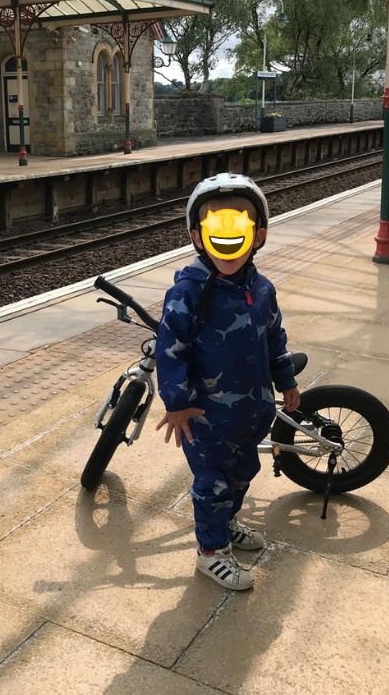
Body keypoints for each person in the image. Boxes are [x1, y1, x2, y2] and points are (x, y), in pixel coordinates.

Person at [155, 173, 299, 591]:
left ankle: (227, 521)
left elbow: (275, 338)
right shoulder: (189, 293)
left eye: (239, 230)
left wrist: (285, 380)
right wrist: (176, 402)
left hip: (252, 409)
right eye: (217, 231)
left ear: (258, 236)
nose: (228, 244)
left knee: (244, 471)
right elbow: (170, 349)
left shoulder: (262, 288)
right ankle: (211, 551)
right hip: (207, 418)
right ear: (198, 237)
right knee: (213, 484)